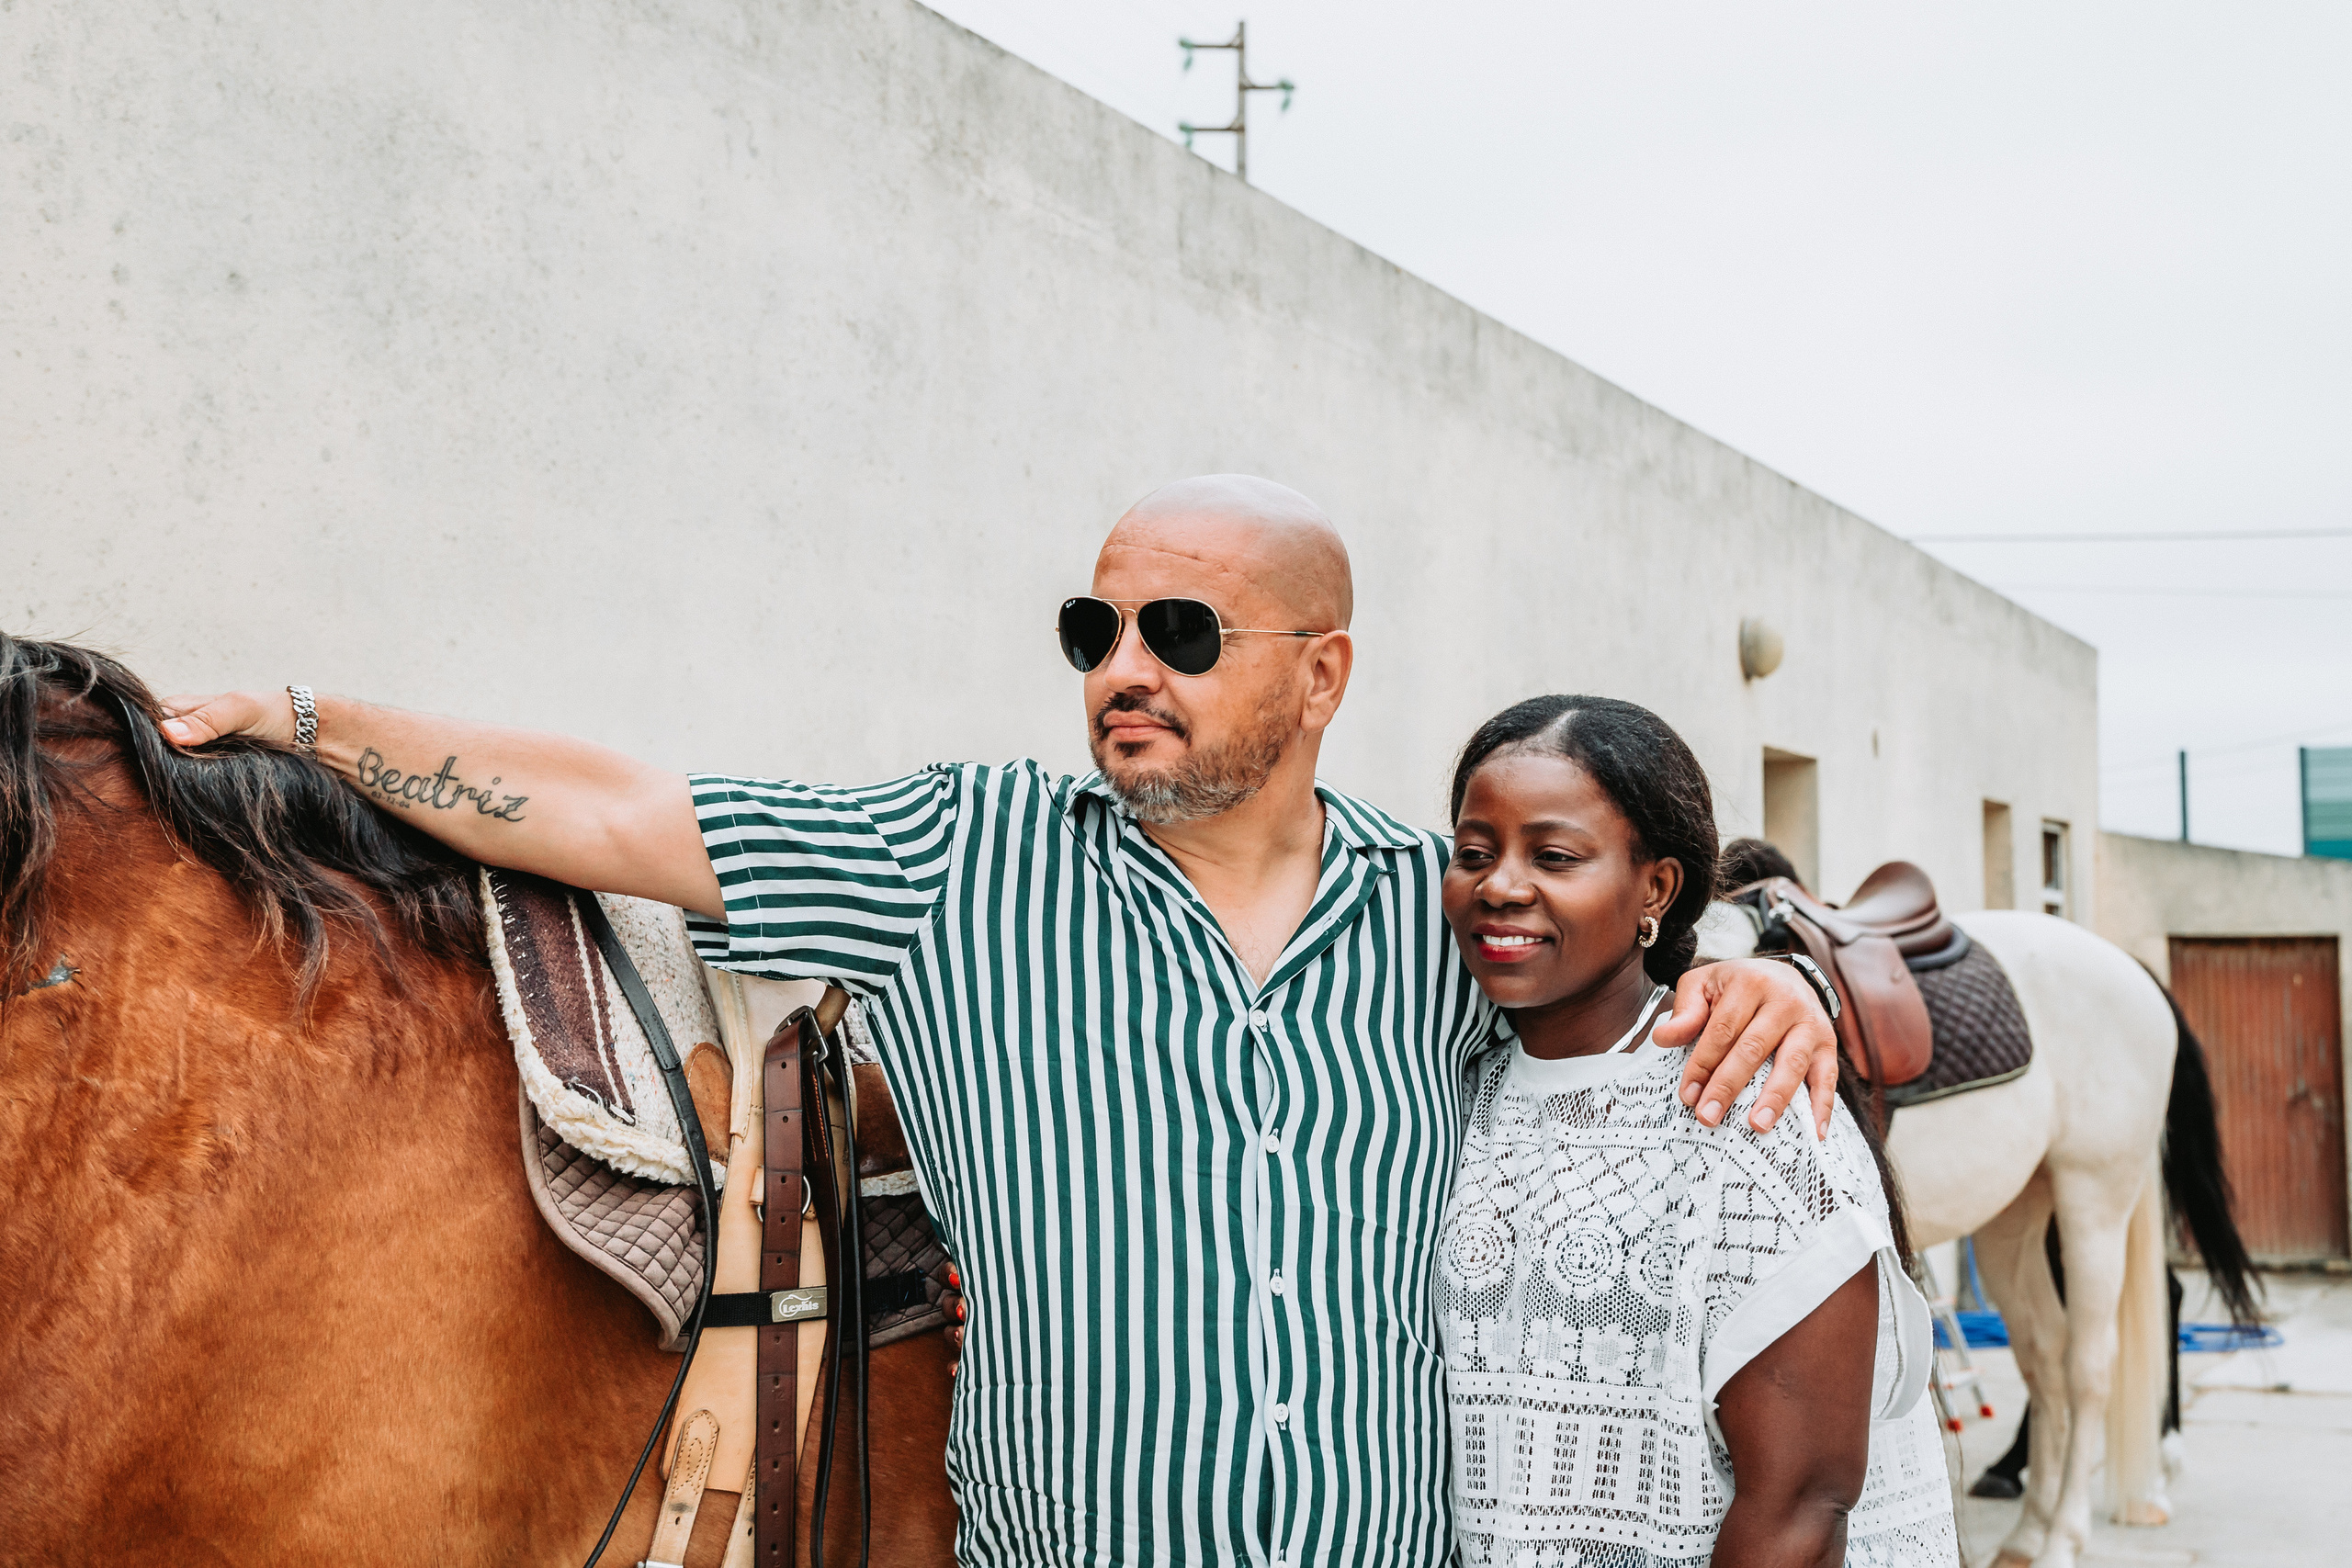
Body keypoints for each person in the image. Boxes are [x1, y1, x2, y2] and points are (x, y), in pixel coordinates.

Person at [161, 476, 1840, 1567]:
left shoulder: (1441, 912)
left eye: (1181, 633)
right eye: (1093, 628)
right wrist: (309, 722)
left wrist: (1764, 958)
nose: (1124, 664)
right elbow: (617, 810)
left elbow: (1623, 986)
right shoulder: (956, 862)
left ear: (1322, 677)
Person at [1437, 694, 1957, 1567]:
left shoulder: (1744, 1110)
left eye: (1554, 855)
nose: (1500, 885)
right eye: (1474, 853)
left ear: (1657, 887)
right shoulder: (1451, 1078)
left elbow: (1801, 1503)